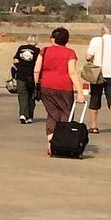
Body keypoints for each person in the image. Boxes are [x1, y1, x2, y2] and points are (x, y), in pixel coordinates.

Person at [38, 26, 82, 154]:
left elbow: (36, 69)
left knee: (52, 114)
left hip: (46, 86)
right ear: (66, 40)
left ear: (53, 39)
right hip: (64, 88)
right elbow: (72, 72)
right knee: (66, 114)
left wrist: (36, 84)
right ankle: (62, 142)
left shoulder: (44, 51)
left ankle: (50, 143)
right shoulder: (70, 53)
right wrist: (80, 91)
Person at [84, 22, 111, 137]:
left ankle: (93, 126)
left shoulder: (96, 40)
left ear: (103, 30)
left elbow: (88, 57)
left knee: (95, 98)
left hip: (98, 74)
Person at [8, 39, 41, 124]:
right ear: (36, 42)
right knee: (31, 96)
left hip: (21, 75)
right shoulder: (37, 51)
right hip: (32, 76)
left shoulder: (21, 48)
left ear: (28, 40)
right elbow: (39, 63)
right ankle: (29, 116)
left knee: (22, 96)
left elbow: (15, 60)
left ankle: (23, 114)